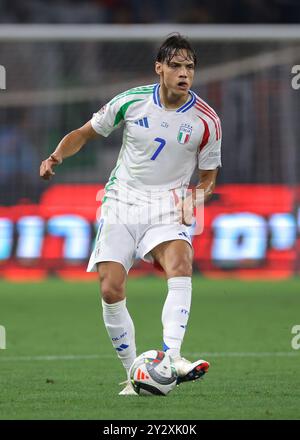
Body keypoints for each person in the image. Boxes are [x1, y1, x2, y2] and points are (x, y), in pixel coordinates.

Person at [40, 34, 222, 396]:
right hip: (122, 201)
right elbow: (85, 133)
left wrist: (196, 198)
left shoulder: (207, 120)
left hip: (168, 205)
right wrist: (56, 157)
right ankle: (134, 373)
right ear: (160, 68)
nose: (184, 73)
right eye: (176, 65)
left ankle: (172, 357)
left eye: (189, 67)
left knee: (181, 263)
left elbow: (208, 177)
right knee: (111, 289)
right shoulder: (132, 101)